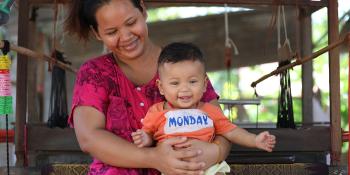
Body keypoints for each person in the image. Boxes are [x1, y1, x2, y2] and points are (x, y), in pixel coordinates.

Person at [64, 0, 233, 174]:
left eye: (131, 23)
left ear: (143, 10)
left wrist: (215, 151)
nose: (126, 36)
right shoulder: (94, 73)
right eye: (112, 32)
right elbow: (89, 138)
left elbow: (223, 129)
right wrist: (154, 158)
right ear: (97, 33)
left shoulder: (184, 65)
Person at [131, 42, 276, 175]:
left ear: (205, 84)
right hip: (174, 169)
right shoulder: (157, 111)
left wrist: (255, 140)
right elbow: (149, 133)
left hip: (209, 168)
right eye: (175, 83)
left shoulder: (209, 111)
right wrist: (145, 138)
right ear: (161, 87)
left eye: (193, 81)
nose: (185, 89)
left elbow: (232, 131)